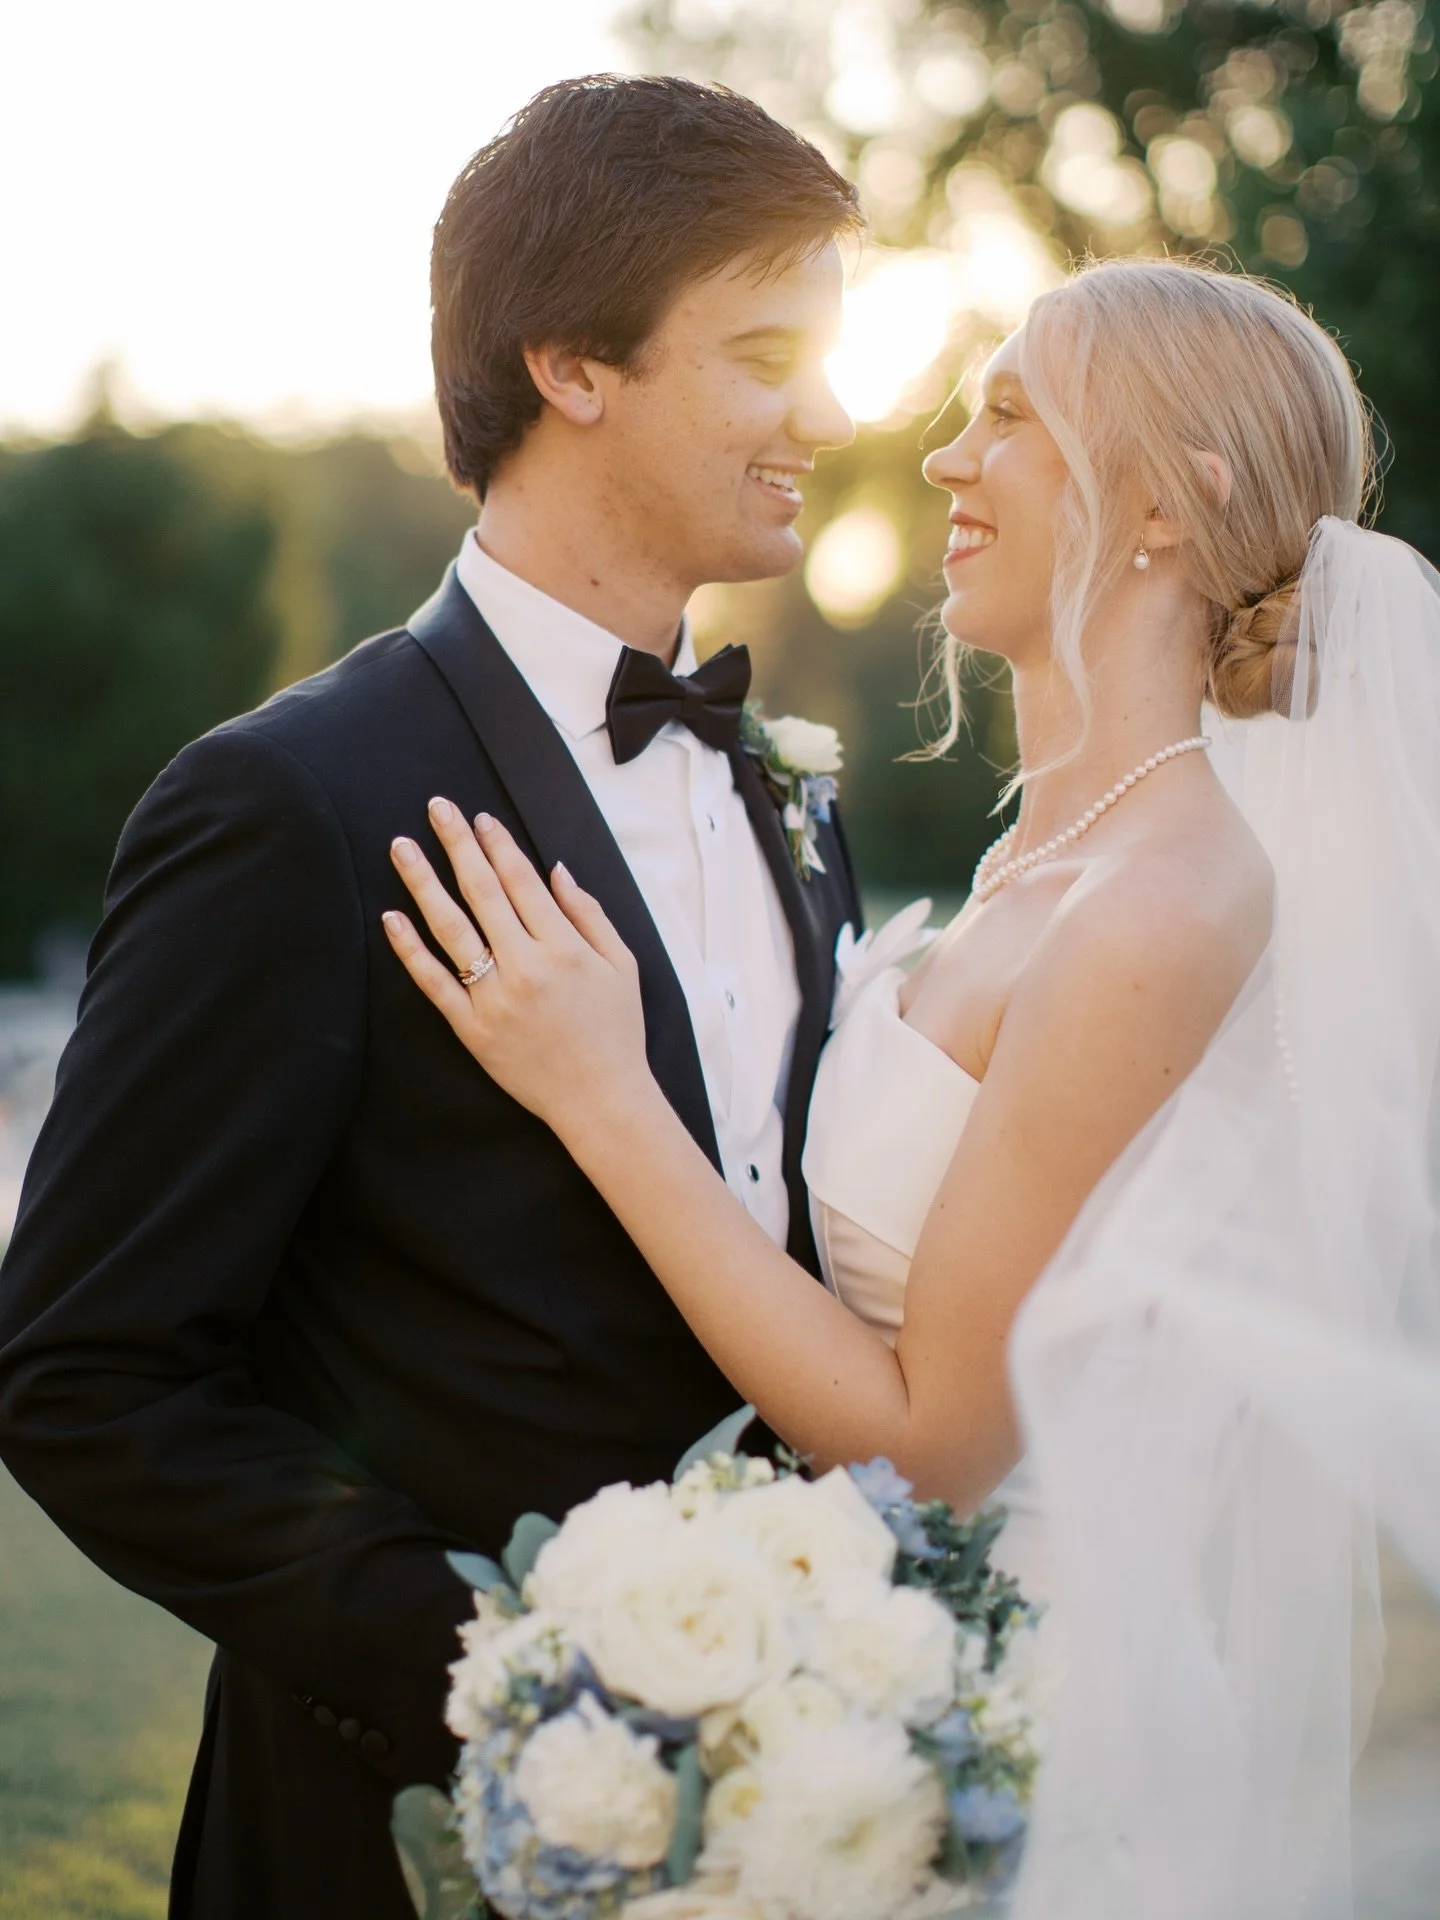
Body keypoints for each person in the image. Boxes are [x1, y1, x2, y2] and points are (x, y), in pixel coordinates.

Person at [385, 259, 1440, 1918]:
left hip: (1003, 1717)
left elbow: (933, 1440)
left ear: (1165, 500)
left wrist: (599, 1094)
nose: (945, 459)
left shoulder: (1167, 899)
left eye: (1007, 415)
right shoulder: (1044, 856)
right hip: (871, 1652)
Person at [0, 77, 863, 1920]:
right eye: (770, 352)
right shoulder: (292, 800)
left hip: (788, 1820)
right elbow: (85, 1374)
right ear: (572, 362)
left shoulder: (787, 791)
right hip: (388, 1836)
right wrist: (506, 1677)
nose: (834, 416)